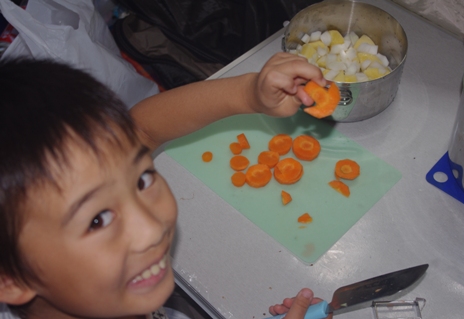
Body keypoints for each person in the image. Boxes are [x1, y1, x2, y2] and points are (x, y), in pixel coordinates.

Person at [0, 53, 332, 319]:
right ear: (10, 279)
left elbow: (142, 129)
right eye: (97, 220)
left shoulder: (107, 292)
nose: (152, 228)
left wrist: (248, 92)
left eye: (142, 180)